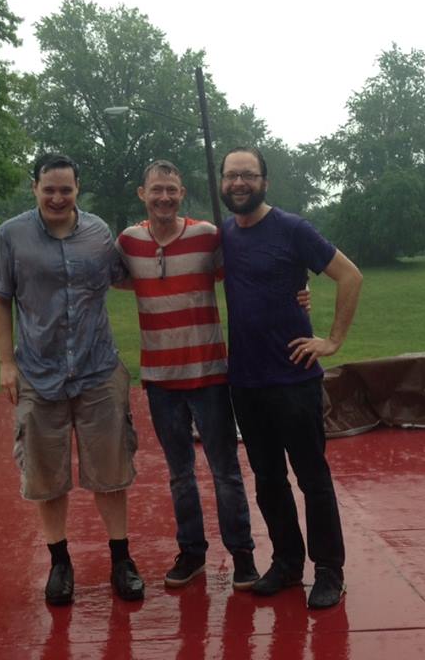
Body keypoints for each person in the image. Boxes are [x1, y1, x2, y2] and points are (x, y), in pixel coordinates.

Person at [0, 153, 144, 606]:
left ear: (78, 190)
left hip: (98, 370)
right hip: (38, 373)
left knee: (112, 471)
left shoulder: (98, 233)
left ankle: (121, 560)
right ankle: (60, 563)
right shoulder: (11, 236)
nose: (57, 197)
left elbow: (128, 277)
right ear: (34, 188)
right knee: (46, 475)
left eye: (66, 189)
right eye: (49, 189)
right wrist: (5, 363)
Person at [218, 146, 363, 610]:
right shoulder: (223, 235)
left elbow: (350, 276)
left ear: (265, 181)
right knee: (268, 479)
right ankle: (286, 563)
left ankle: (329, 570)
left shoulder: (292, 228)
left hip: (294, 377)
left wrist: (333, 340)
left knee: (312, 478)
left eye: (248, 175)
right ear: (222, 183)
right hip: (246, 380)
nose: (239, 183)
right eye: (231, 176)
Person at [115, 160, 259, 591]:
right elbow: (110, 279)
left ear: (182, 194)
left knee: (225, 471)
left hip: (209, 373)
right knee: (180, 475)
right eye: (156, 189)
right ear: (142, 194)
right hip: (160, 379)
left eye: (172, 190)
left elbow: (246, 273)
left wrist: (298, 291)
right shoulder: (128, 242)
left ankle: (243, 555)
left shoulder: (206, 236)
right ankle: (192, 552)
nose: (164, 197)